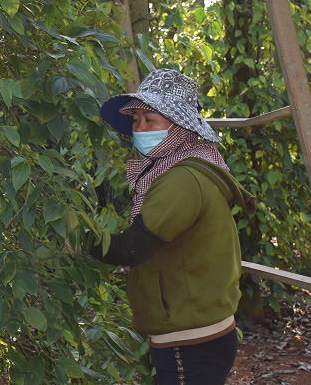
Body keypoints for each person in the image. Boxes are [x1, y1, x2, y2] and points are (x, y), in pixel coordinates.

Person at [92, 68, 256, 385]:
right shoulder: (183, 168)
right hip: (197, 332)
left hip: (191, 340)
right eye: (136, 119)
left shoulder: (182, 180)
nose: (140, 128)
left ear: (179, 127)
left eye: (150, 120)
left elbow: (132, 248)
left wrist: (76, 237)